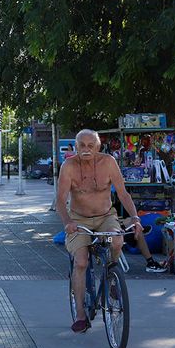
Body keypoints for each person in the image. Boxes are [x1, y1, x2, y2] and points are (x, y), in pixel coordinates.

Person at [56, 129, 143, 333]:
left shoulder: (109, 162)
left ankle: (112, 276)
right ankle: (80, 314)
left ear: (98, 146)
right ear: (75, 147)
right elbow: (60, 200)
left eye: (90, 145)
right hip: (78, 219)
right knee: (81, 262)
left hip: (106, 216)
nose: (86, 149)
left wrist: (135, 216)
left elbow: (122, 193)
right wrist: (67, 221)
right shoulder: (68, 166)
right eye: (82, 146)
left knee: (117, 241)